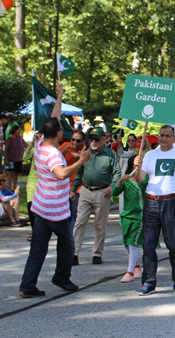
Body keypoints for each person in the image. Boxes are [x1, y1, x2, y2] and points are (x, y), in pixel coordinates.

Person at [19, 83, 91, 298]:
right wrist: (82, 161)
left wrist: (59, 96)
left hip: (41, 207)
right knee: (67, 245)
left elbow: (54, 117)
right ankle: (61, 277)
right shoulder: (52, 154)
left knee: (38, 249)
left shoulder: (40, 142)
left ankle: (27, 285)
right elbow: (61, 173)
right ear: (59, 133)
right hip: (56, 210)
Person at [133, 125, 175, 296]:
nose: (164, 138)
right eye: (161, 135)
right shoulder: (150, 155)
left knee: (173, 244)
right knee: (148, 244)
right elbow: (139, 180)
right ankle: (148, 283)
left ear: (174, 138)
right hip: (151, 203)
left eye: (168, 136)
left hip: (171, 202)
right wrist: (137, 166)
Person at [71, 127, 122, 265]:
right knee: (80, 222)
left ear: (104, 140)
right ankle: (74, 254)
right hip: (86, 191)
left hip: (102, 192)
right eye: (91, 138)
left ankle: (97, 254)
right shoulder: (86, 153)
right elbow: (79, 172)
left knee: (100, 225)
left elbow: (117, 172)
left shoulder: (110, 153)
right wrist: (73, 189)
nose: (93, 141)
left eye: (97, 139)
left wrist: (112, 186)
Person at [111, 155, 147, 283]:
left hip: (139, 216)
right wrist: (119, 181)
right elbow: (114, 193)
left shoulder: (144, 178)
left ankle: (129, 272)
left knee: (132, 243)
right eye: (137, 161)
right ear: (132, 164)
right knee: (127, 244)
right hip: (126, 216)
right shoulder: (125, 180)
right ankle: (137, 266)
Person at [59, 130, 86, 234]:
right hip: (64, 187)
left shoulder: (85, 150)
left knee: (75, 213)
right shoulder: (66, 146)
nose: (74, 143)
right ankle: (65, 234)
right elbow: (53, 159)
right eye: (73, 140)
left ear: (83, 142)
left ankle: (70, 236)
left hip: (77, 187)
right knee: (64, 214)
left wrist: (81, 159)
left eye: (78, 141)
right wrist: (62, 152)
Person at [25, 132, 43, 239]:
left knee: (40, 208)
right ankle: (34, 231)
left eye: (41, 136)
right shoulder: (34, 150)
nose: (39, 138)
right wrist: (32, 143)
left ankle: (40, 231)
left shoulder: (47, 150)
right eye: (37, 137)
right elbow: (26, 156)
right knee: (30, 206)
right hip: (32, 181)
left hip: (43, 181)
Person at [5, 124, 29, 191]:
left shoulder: (20, 138)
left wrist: (32, 147)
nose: (20, 131)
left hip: (19, 159)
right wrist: (6, 159)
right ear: (15, 130)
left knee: (16, 173)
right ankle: (9, 188)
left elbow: (26, 145)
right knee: (10, 173)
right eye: (18, 130)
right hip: (11, 159)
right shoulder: (9, 139)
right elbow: (6, 149)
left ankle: (13, 187)